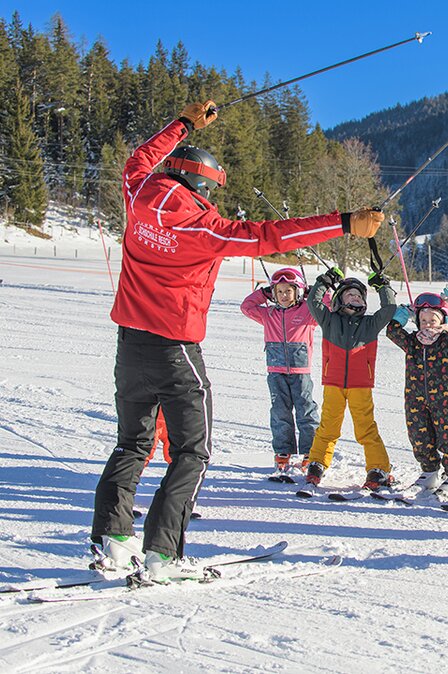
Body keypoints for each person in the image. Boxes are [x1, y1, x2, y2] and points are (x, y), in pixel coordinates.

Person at [91, 100, 384, 581]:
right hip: (176, 350)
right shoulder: (203, 226)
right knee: (193, 451)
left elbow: (138, 158)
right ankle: (163, 554)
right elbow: (267, 236)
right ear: (206, 186)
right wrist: (344, 222)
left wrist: (181, 124)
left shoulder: (138, 190)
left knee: (131, 443)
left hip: (129, 346)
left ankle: (113, 538)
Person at [302, 269, 397, 492]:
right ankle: (317, 462)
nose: (355, 297)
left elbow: (389, 309)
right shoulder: (329, 320)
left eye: (358, 295)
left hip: (360, 385)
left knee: (365, 428)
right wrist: (324, 281)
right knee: (328, 426)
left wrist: (383, 287)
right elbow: (313, 302)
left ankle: (378, 468)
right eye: (349, 294)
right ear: (338, 300)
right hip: (333, 383)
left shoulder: (370, 324)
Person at [386, 288, 448, 498]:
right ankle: (430, 472)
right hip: (415, 398)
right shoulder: (412, 343)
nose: (427, 324)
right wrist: (400, 317)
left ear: (442, 319)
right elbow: (392, 332)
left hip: (442, 399)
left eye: (432, 319)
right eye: (423, 320)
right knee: (419, 435)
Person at [241, 267, 320, 482]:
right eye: (279, 292)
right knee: (280, 412)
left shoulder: (307, 312)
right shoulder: (268, 314)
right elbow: (246, 307)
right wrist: (263, 293)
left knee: (306, 410)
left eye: (288, 291)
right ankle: (283, 451)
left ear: (299, 292)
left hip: (300, 372)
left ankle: (310, 451)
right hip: (275, 372)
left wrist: (316, 293)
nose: (284, 296)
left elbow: (328, 307)